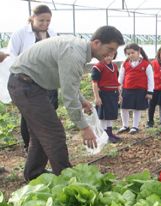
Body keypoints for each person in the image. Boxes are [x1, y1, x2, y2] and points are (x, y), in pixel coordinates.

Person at [7, 26, 125, 181]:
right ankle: (67, 180)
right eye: (109, 49)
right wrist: (84, 127)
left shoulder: (78, 50)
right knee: (54, 133)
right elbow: (68, 97)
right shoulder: (74, 53)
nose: (111, 54)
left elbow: (70, 83)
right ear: (96, 43)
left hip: (30, 85)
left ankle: (34, 174)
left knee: (40, 134)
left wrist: (82, 101)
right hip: (25, 85)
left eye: (114, 51)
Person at [7, 5, 57, 152]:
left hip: (47, 79)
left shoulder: (52, 33)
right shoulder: (21, 33)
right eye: (41, 20)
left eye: (48, 21)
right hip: (27, 81)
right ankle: (29, 145)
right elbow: (12, 55)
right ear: (32, 18)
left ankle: (44, 143)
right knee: (28, 113)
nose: (45, 24)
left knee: (49, 109)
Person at [118, 43, 154, 134]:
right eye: (128, 53)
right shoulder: (124, 64)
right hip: (126, 90)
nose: (130, 55)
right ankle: (125, 125)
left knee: (136, 108)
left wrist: (150, 92)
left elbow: (150, 79)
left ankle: (135, 126)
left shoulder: (146, 64)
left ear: (138, 52)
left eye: (132, 53)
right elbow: (120, 77)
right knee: (124, 108)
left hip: (140, 91)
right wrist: (118, 88)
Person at [91, 54, 121, 143]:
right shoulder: (98, 67)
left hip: (113, 93)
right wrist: (97, 97)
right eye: (105, 55)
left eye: (110, 55)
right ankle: (103, 135)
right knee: (103, 115)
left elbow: (116, 81)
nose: (108, 57)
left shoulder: (114, 66)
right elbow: (94, 83)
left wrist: (119, 94)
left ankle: (109, 133)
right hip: (103, 94)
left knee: (110, 114)